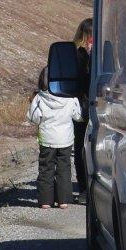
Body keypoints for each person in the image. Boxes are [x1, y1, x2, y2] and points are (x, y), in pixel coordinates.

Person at [26, 68, 82, 210]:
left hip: (47, 138)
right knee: (64, 168)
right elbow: (78, 116)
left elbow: (33, 117)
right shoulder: (70, 98)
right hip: (65, 139)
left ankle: (45, 201)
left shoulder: (39, 98)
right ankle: (63, 201)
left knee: (46, 168)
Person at [72, 18, 93, 203]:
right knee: (80, 147)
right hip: (81, 103)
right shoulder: (77, 53)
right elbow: (79, 78)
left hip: (96, 102)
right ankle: (84, 187)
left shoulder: (103, 52)